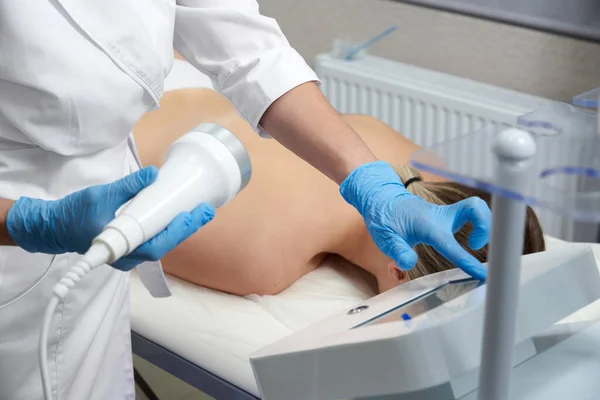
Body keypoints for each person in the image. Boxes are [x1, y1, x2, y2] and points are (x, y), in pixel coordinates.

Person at [0, 3, 491, 399]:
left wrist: (371, 180)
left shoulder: (395, 160)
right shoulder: (262, 253)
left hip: (159, 80)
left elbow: (249, 49)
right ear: (401, 275)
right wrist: (29, 221)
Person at [133, 87, 546, 295]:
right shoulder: (263, 257)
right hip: (109, 120)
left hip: (168, 71)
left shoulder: (422, 165)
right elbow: (133, 228)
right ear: (399, 272)